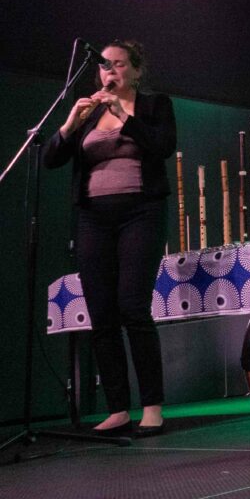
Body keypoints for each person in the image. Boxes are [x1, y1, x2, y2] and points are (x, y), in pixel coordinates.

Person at [44, 40, 176, 436]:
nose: (110, 72)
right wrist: (69, 124)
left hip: (141, 212)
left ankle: (151, 406)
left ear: (136, 71)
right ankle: (118, 407)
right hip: (93, 219)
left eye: (119, 65)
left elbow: (164, 146)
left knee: (133, 308)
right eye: (105, 66)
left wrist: (124, 116)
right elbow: (51, 159)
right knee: (101, 314)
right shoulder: (89, 113)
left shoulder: (155, 105)